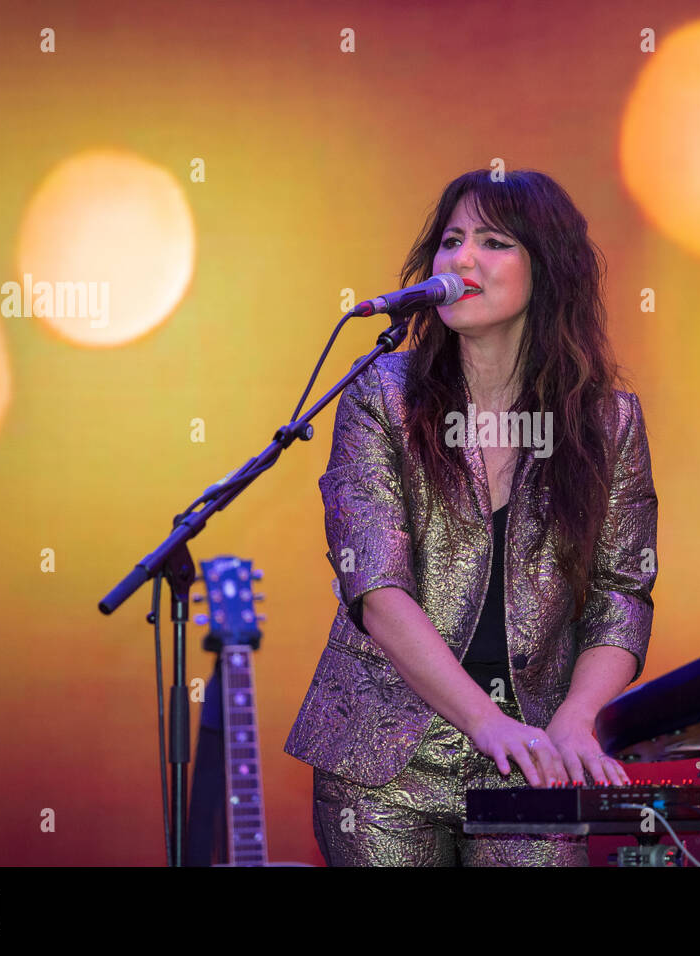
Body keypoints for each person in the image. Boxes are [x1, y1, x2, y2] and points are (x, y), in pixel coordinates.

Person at [284, 168, 659, 866]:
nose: (461, 259)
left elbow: (621, 594)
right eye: (451, 240)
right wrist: (485, 722)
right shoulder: (380, 395)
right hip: (382, 764)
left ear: (548, 270)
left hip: (531, 754)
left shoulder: (608, 423)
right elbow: (375, 587)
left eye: (493, 242)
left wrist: (577, 720)